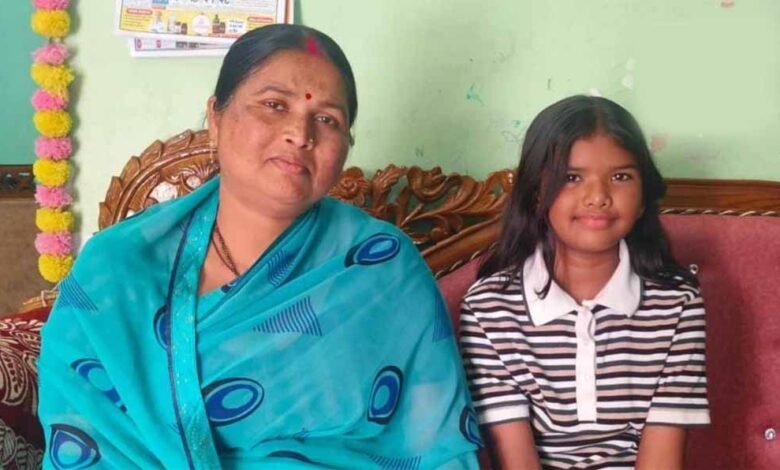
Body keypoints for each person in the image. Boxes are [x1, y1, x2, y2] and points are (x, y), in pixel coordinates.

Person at [38, 24, 480, 469]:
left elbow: (439, 446)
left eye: (327, 119)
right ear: (215, 118)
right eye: (274, 105)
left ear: (346, 146)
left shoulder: (382, 269)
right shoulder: (118, 266)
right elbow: (81, 428)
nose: (300, 133)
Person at [459, 95, 709, 469]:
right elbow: (515, 461)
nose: (598, 197)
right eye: (572, 178)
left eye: (621, 177)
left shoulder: (677, 305)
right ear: (536, 193)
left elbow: (663, 458)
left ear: (643, 197)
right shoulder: (488, 309)